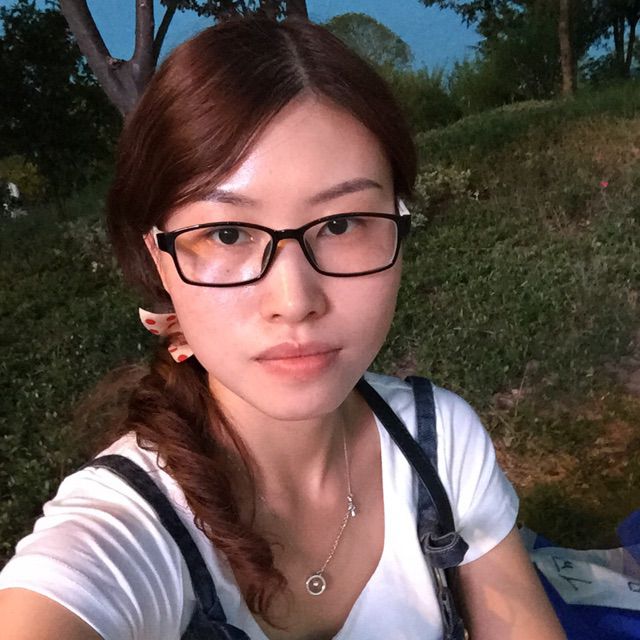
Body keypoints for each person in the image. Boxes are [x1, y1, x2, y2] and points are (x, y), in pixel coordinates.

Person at [0, 16, 566, 640]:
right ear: (160, 259)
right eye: (227, 233)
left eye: (342, 224)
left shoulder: (440, 443)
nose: (295, 301)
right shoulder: (123, 528)